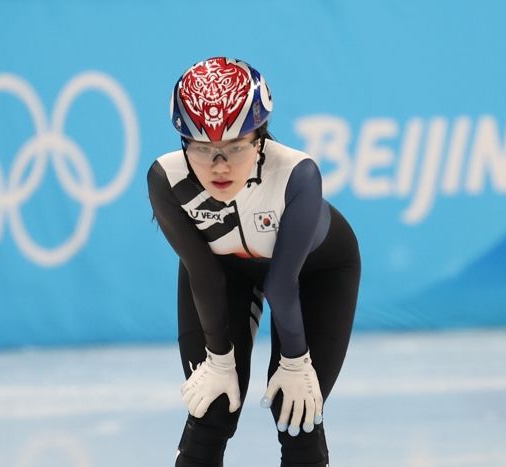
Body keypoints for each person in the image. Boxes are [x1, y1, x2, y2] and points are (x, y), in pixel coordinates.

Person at [147, 56, 361, 467]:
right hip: (219, 273)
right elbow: (204, 272)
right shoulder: (166, 179)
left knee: (296, 415)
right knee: (211, 409)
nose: (219, 165)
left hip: (316, 275)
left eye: (234, 148)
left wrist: (296, 362)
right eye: (204, 149)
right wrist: (220, 359)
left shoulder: (297, 174)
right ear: (183, 144)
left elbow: (283, 284)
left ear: (259, 138)